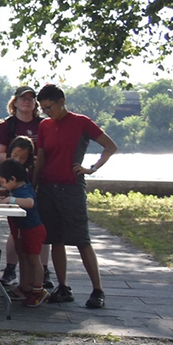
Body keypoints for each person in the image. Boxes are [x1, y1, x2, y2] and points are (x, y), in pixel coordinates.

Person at [33, 83, 120, 309]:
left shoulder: (81, 122)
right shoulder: (44, 126)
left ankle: (97, 290)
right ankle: (63, 287)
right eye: (43, 109)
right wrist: (34, 184)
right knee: (55, 239)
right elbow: (41, 156)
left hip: (71, 187)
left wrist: (92, 168)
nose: (46, 112)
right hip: (47, 187)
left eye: (49, 107)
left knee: (81, 239)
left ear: (62, 102)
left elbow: (110, 146)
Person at [0, 86, 43, 284]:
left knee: (36, 229)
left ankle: (39, 276)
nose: (27, 102)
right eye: (23, 98)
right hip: (15, 182)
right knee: (16, 229)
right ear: (15, 101)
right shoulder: (7, 126)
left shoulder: (43, 124)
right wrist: (19, 162)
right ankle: (11, 269)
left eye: (31, 98)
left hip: (39, 182)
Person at [0, 158, 46, 307]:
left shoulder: (24, 190)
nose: (3, 185)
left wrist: (10, 200)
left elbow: (29, 202)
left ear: (13, 179)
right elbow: (6, 192)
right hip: (21, 230)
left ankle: (38, 290)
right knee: (23, 257)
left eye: (3, 182)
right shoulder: (15, 188)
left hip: (32, 229)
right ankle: (24, 287)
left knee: (33, 260)